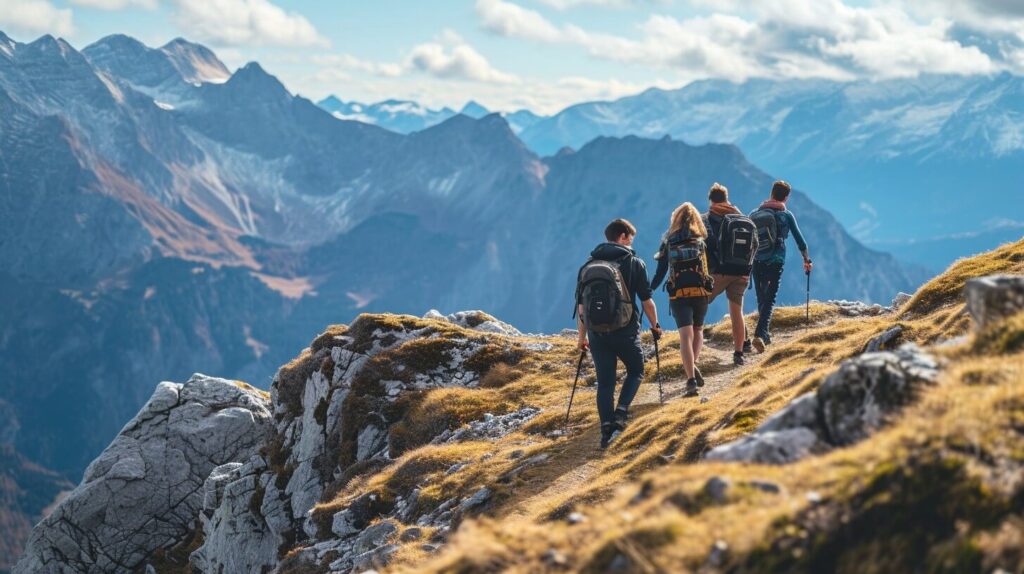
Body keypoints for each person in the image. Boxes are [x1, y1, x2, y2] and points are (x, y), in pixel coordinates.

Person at [576, 219, 663, 449]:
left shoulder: (588, 265)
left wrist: (582, 338)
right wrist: (655, 325)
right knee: (636, 370)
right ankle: (621, 413)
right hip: (625, 330)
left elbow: (582, 309)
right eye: (630, 237)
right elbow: (647, 302)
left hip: (597, 334)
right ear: (623, 236)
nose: (632, 241)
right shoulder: (634, 262)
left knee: (605, 383)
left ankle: (606, 428)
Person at [650, 202, 713, 398]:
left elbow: (660, 272)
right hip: (700, 292)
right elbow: (710, 266)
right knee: (698, 331)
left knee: (685, 336)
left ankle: (691, 379)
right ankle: (693, 365)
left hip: (678, 294)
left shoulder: (669, 241)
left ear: (675, 219)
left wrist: (649, 289)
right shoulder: (701, 240)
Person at [750, 180, 812, 352]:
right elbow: (800, 240)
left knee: (761, 296)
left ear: (771, 193)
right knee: (770, 297)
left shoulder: (755, 213)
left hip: (757, 259)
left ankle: (765, 334)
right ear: (786, 197)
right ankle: (760, 334)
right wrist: (806, 259)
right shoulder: (786, 215)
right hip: (776, 258)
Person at [701, 183, 758, 366]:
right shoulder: (741, 217)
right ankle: (739, 353)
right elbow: (754, 244)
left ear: (711, 200)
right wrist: (747, 269)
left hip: (717, 272)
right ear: (727, 198)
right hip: (740, 273)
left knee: (699, 304)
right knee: (736, 312)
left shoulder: (705, 219)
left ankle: (692, 349)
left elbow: (702, 246)